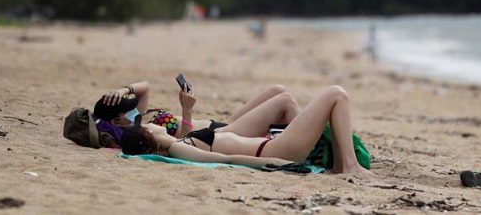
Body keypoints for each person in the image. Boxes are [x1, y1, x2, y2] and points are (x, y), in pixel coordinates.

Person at [121, 85, 370, 174]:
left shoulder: (179, 145)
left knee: (330, 97)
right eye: (149, 126)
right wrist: (278, 163)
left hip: (272, 146)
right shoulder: (179, 149)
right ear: (150, 136)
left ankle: (342, 164)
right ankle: (348, 167)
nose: (151, 123)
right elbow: (227, 159)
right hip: (274, 150)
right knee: (336, 94)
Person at [93, 81, 299, 144]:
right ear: (117, 120)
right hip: (219, 135)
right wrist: (186, 110)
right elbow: (181, 142)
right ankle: (313, 145)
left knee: (278, 90)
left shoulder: (137, 115)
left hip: (220, 124)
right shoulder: (140, 130)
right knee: (285, 102)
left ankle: (302, 136)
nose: (131, 109)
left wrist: (121, 91)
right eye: (125, 108)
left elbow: (145, 87)